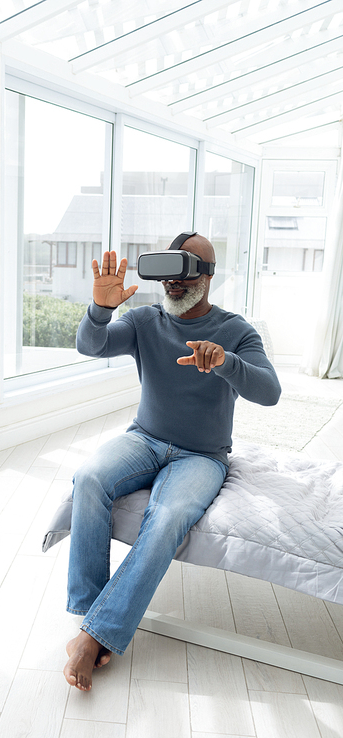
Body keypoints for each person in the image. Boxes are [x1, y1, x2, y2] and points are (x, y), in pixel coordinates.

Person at [63, 233, 281, 691]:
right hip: (144, 439)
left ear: (209, 275)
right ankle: (89, 617)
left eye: (188, 268)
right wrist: (101, 310)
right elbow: (92, 345)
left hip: (202, 456)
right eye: (169, 269)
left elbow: (270, 392)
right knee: (87, 478)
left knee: (167, 518)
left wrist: (226, 363)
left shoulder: (237, 330)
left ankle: (93, 636)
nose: (175, 281)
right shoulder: (145, 319)